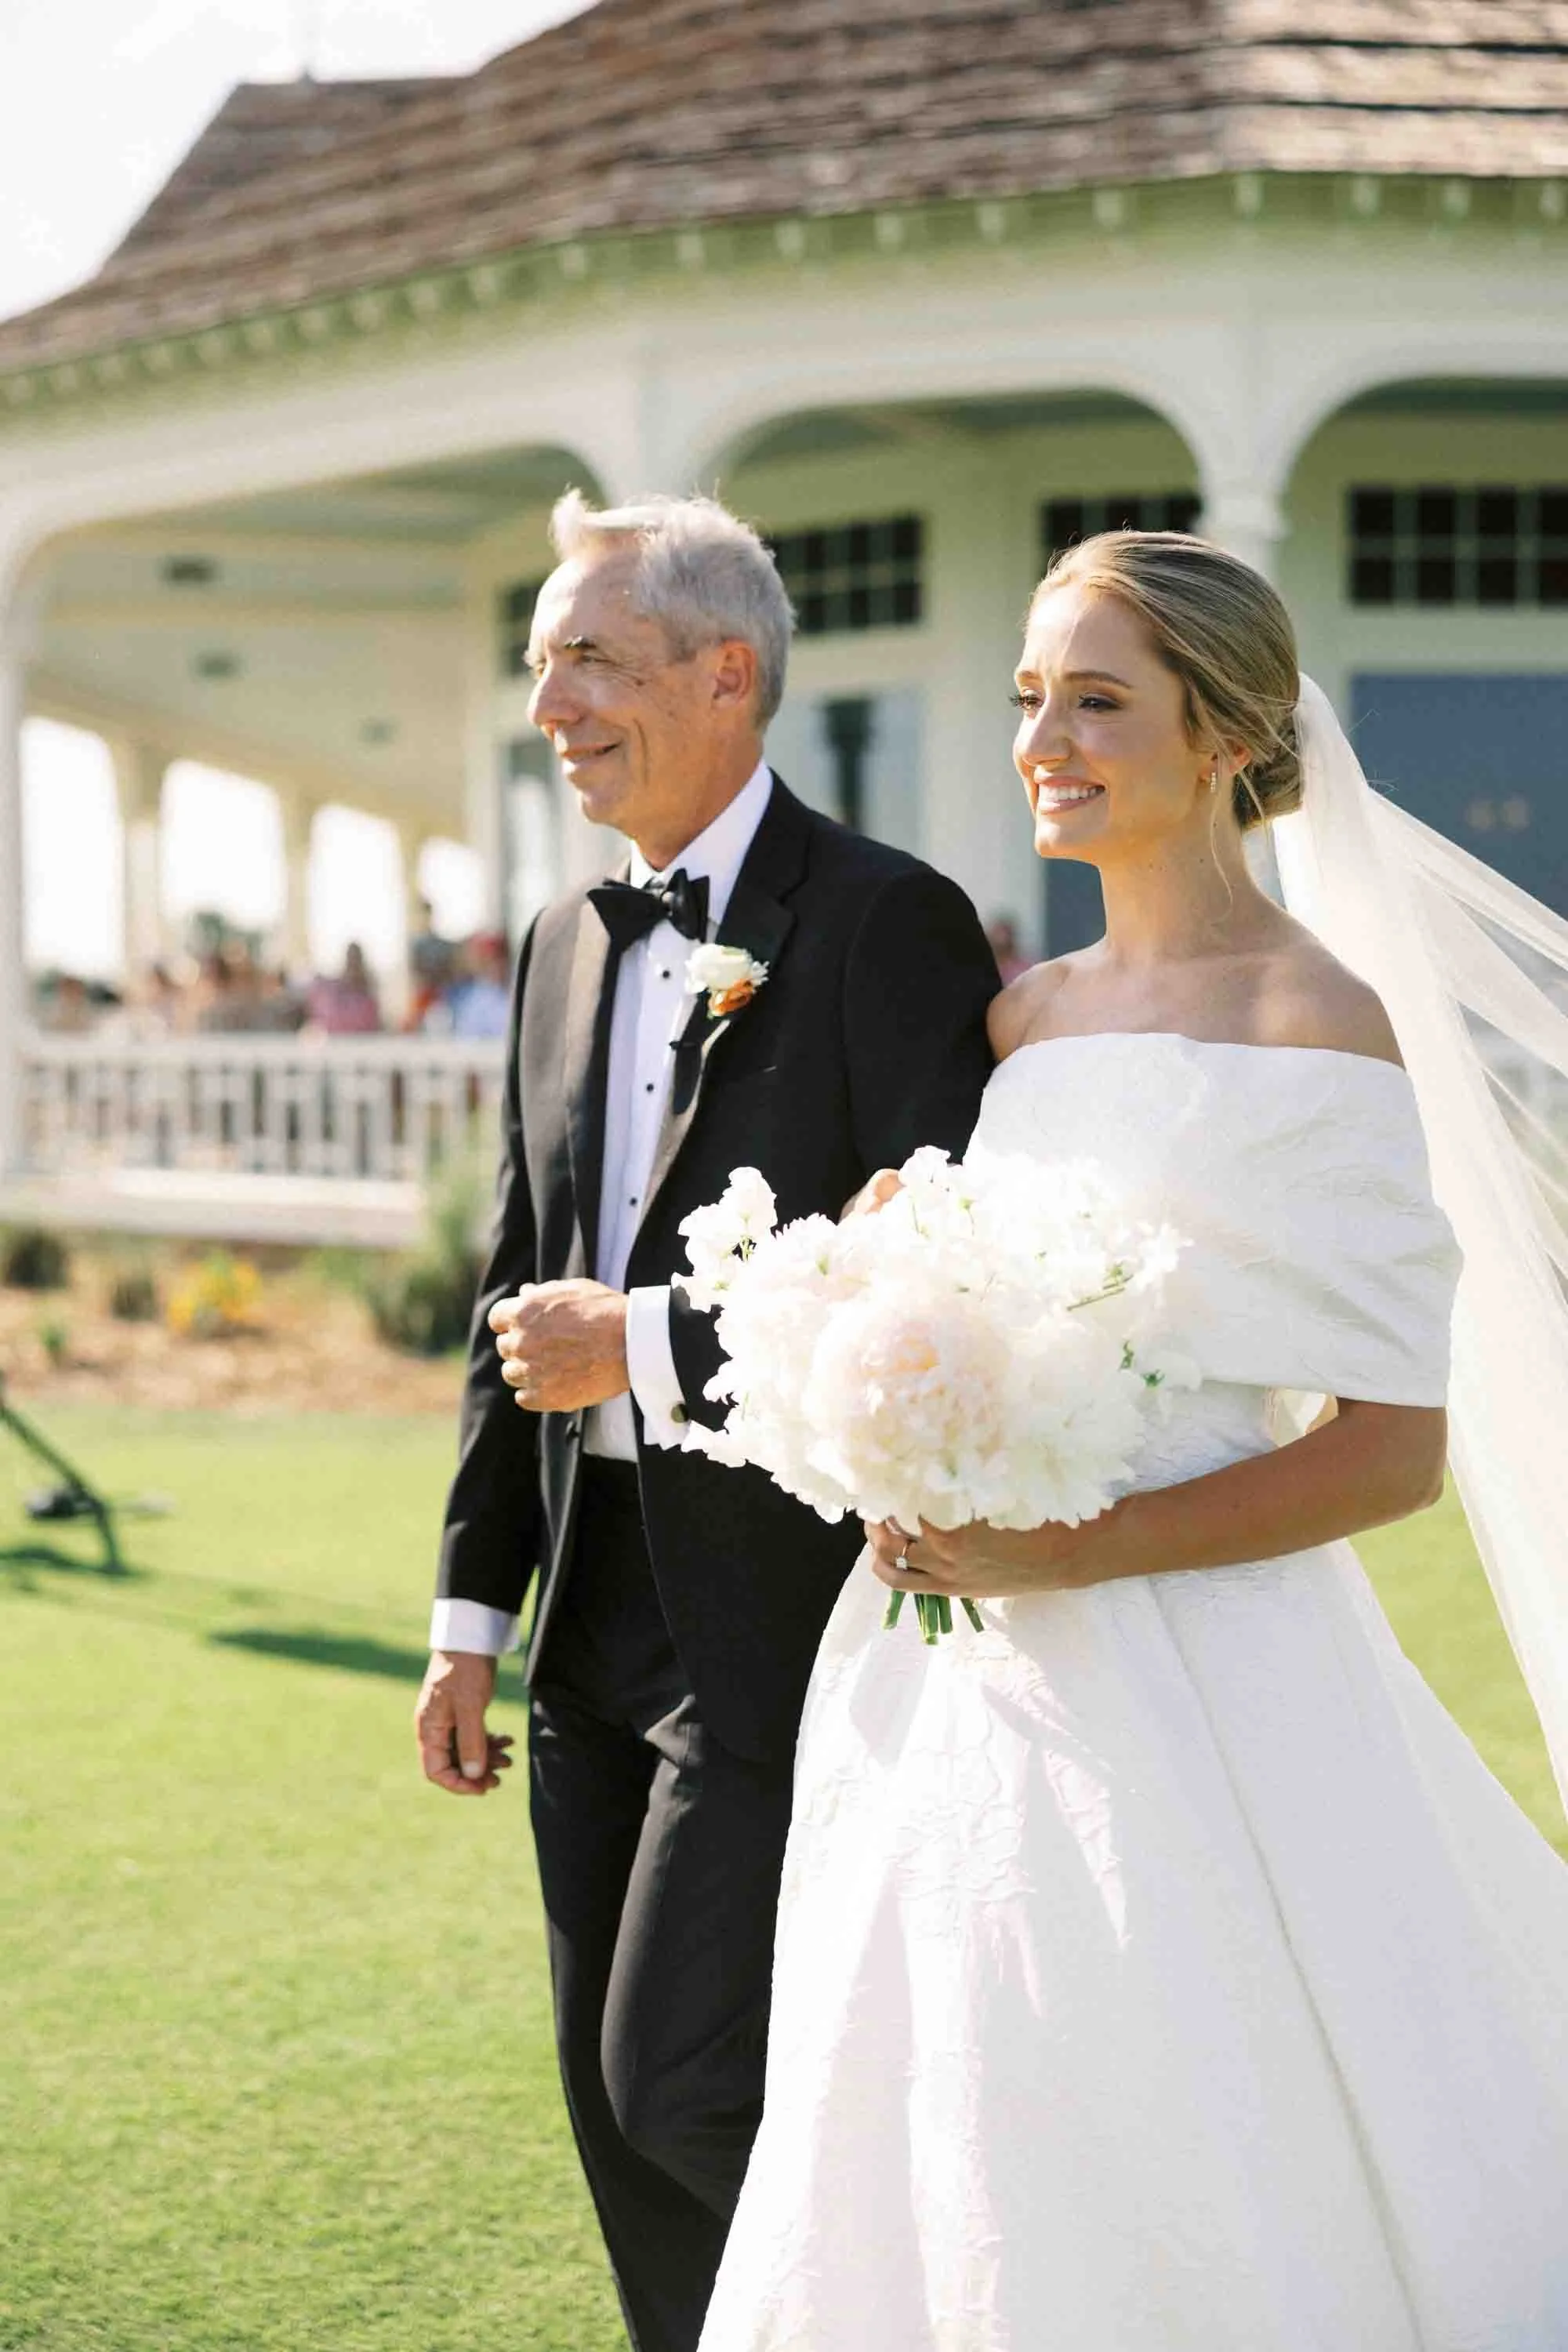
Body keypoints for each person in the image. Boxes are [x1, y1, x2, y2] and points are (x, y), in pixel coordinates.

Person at [700, 533, 1568, 2349]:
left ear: (1229, 734)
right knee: (949, 2089)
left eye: (1098, 699)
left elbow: (1389, 1451)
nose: (1044, 739)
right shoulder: (1021, 1021)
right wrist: (874, 1360)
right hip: (950, 1674)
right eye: (1030, 696)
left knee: (1197, 2102)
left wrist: (1068, 1550)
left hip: (1208, 1677)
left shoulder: (1328, 1025)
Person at [412, 490, 997, 2352]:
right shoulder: (556, 944)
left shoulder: (890, 924)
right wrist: (464, 1617)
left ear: (724, 672)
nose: (548, 709)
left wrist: (650, 1344)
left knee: (683, 2082)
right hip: (580, 1620)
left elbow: (935, 1280)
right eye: (538, 667)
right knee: (606, 2107)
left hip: (778, 1607)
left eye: (587, 658)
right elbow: (513, 1291)